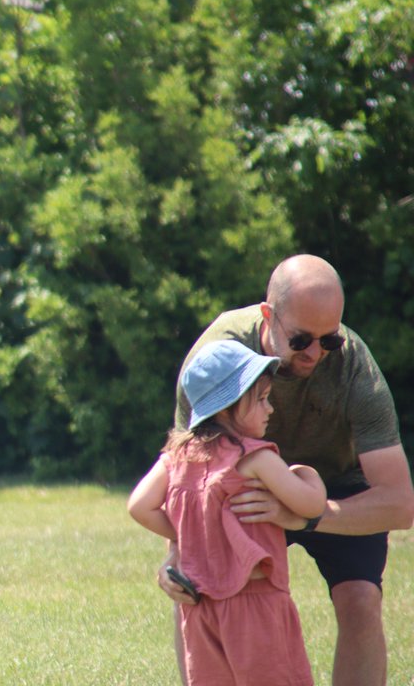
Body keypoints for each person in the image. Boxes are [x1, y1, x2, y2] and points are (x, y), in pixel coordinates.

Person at [159, 254, 414, 686]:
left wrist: (306, 513)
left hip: (335, 486)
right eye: (300, 340)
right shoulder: (217, 356)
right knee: (200, 597)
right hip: (242, 488)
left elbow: (400, 502)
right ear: (267, 317)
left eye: (328, 339)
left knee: (361, 600)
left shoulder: (353, 364)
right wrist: (178, 557)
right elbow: (188, 466)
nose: (316, 353)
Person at [130, 339, 327, 685]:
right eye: (261, 399)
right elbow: (312, 505)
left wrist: (190, 531)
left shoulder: (176, 458)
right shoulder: (257, 458)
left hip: (200, 609)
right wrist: (308, 474)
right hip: (257, 605)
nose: (270, 409)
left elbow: (139, 506)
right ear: (225, 408)